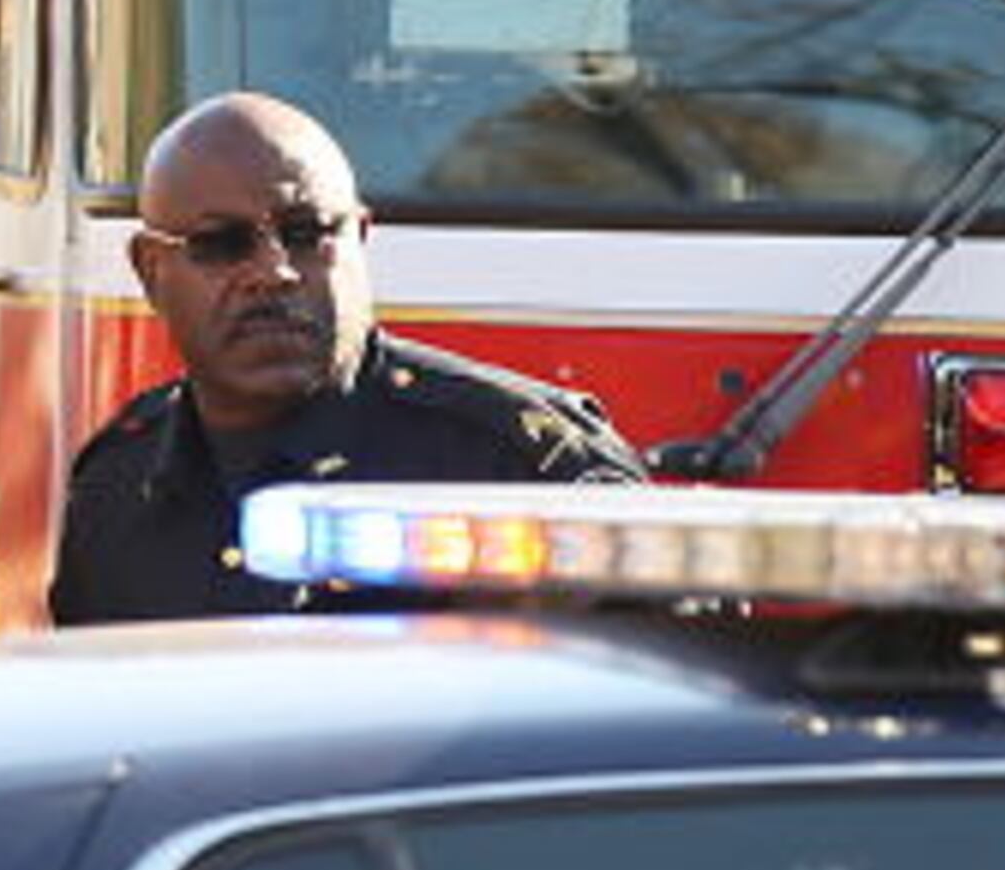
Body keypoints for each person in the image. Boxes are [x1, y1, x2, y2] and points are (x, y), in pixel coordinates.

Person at [52, 92, 643, 625]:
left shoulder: (514, 468)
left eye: (307, 232)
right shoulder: (116, 488)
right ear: (151, 271)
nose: (274, 273)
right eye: (222, 244)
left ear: (360, 238)